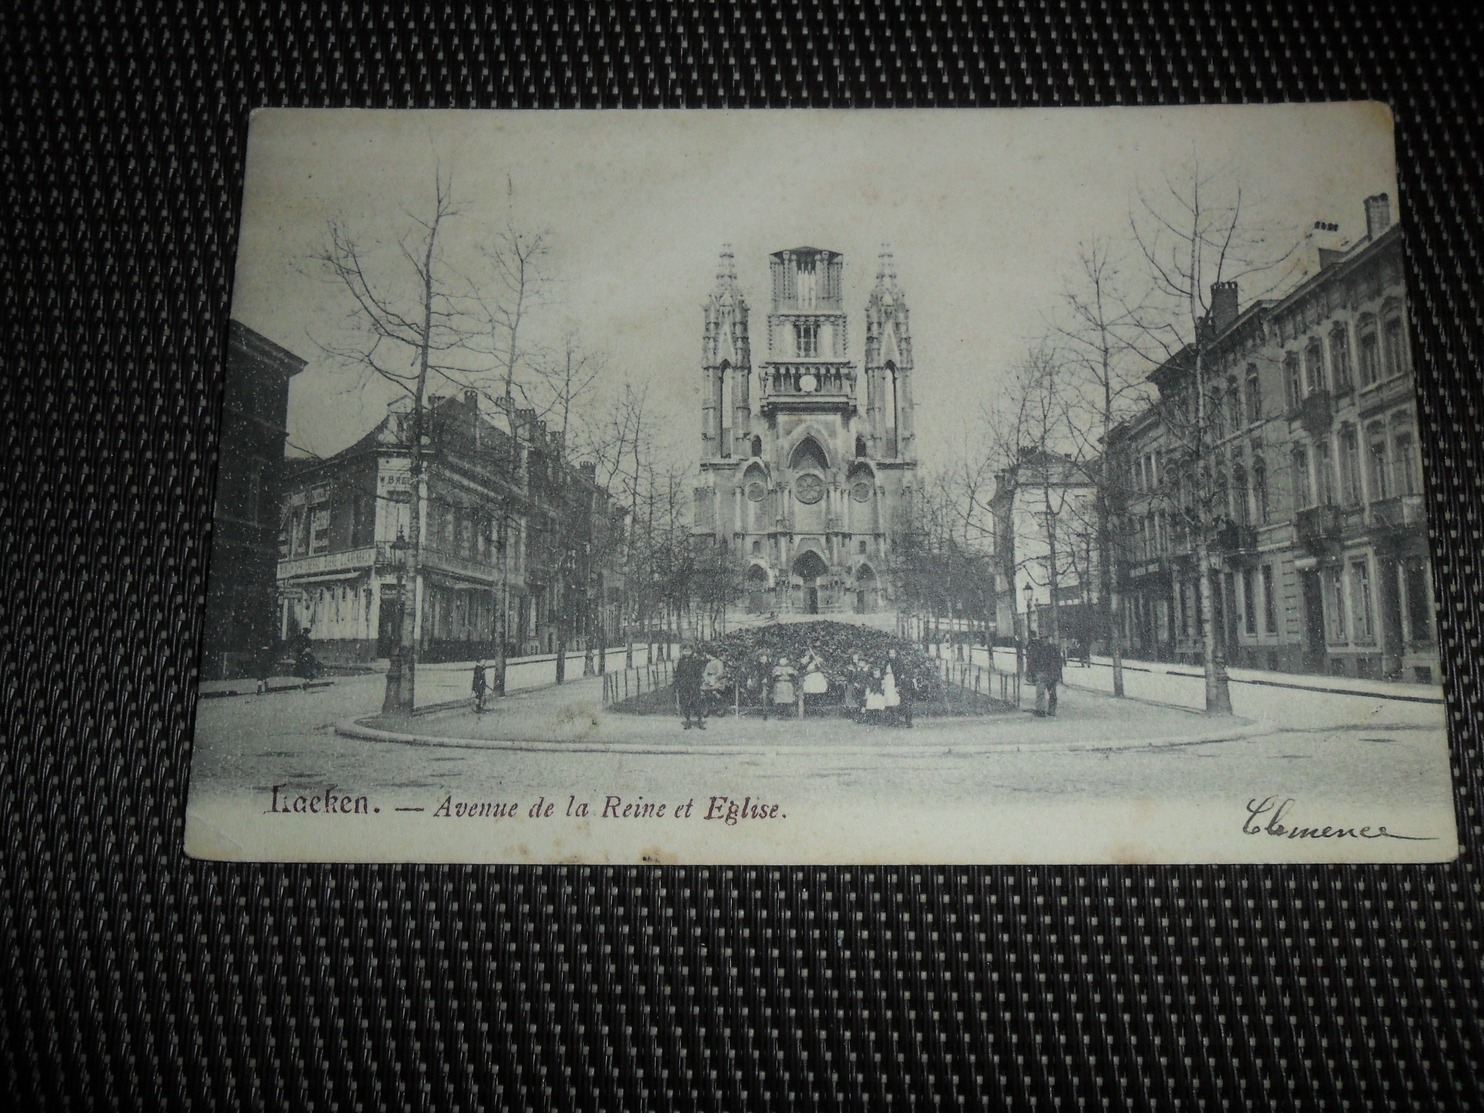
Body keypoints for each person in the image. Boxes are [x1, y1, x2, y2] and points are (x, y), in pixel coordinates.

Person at [1028, 631, 1061, 718]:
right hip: (1041, 673)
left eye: (1045, 638)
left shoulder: (1053, 648)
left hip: (1051, 673)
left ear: (1048, 639)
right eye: (1042, 638)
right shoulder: (1037, 649)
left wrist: (1059, 674)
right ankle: (1040, 710)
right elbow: (1032, 661)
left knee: (1053, 693)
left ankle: (1052, 710)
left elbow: (1058, 662)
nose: (1043, 640)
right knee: (1040, 692)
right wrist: (1032, 673)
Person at [674, 643, 708, 729]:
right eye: (685, 651)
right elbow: (678, 674)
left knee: (696, 703)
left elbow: (699, 673)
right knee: (685, 703)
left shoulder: (695, 661)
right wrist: (678, 684)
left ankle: (700, 721)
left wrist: (698, 682)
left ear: (692, 651)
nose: (687, 653)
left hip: (694, 685)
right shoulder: (680, 662)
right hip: (684, 685)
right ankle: (688, 721)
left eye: (689, 651)